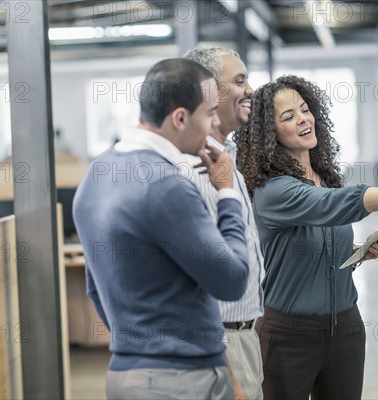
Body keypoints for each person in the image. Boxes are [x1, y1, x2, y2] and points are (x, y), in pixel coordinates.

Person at [234, 74, 378, 400]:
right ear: (270, 134)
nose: (304, 119)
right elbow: (335, 206)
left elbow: (317, 247)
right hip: (288, 336)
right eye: (288, 117)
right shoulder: (274, 191)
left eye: (305, 109)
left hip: (346, 328)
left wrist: (361, 251)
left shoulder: (327, 178)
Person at [73, 58, 250, 400]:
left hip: (128, 373)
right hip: (182, 380)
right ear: (180, 118)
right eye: (210, 113)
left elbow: (95, 289)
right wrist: (227, 192)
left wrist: (140, 346)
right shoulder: (166, 185)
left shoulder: (98, 174)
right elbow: (232, 280)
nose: (215, 122)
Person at [184, 46, 264, 400]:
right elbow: (191, 285)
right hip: (222, 341)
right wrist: (225, 369)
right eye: (240, 81)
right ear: (209, 93)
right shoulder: (195, 171)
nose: (250, 91)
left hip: (244, 336)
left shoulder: (225, 164)